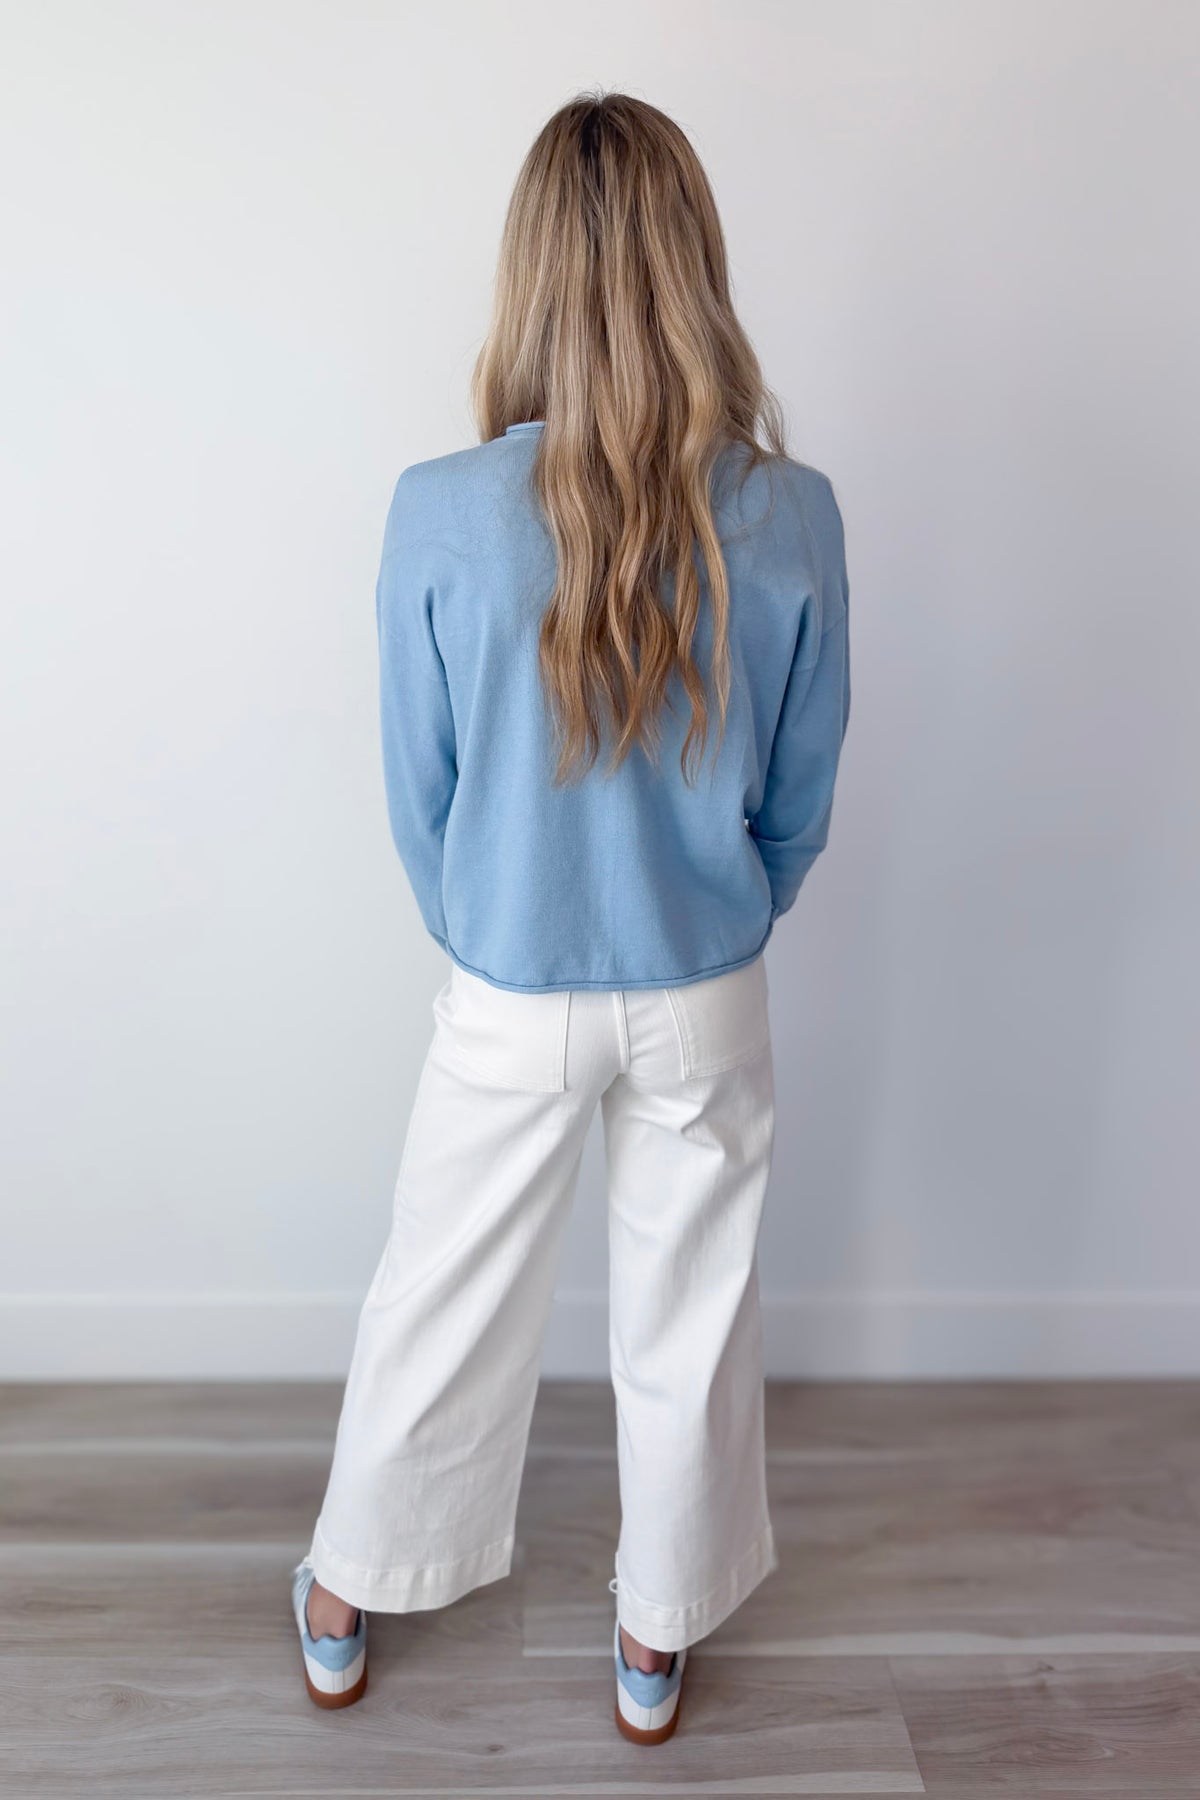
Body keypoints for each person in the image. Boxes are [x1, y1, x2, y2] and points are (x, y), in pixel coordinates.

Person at [290, 89, 850, 1747]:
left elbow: (422, 796)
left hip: (509, 981)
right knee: (693, 1311)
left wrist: (490, 923)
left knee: (439, 1295)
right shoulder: (793, 512)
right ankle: (654, 1639)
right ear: (696, 265)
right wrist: (728, 905)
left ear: (528, 273)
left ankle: (345, 1596)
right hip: (706, 977)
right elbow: (799, 795)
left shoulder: (437, 509)